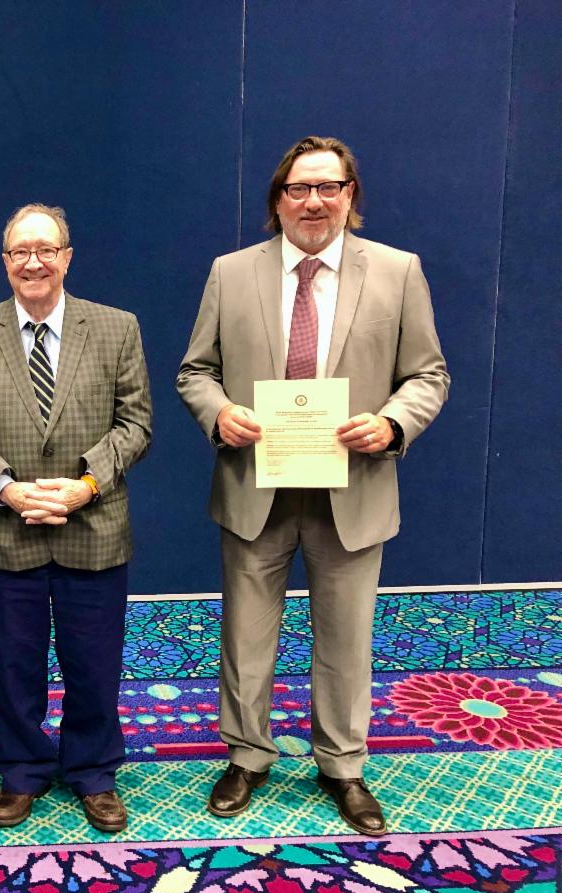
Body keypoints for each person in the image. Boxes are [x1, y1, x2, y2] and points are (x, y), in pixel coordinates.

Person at [176, 136, 449, 836]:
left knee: (347, 639)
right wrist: (220, 414)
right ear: (278, 200)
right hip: (255, 487)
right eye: (299, 189)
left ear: (350, 196)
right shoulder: (231, 272)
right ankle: (246, 756)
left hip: (353, 489)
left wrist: (391, 423)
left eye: (329, 187)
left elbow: (428, 375)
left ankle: (343, 766)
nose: (314, 202)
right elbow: (196, 372)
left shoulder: (397, 271)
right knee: (245, 638)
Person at [0, 204, 152, 833]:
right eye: (19, 252)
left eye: (46, 250)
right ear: (5, 261)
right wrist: (6, 490)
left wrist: (87, 485)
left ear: (67, 257)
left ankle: (93, 770)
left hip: (94, 525)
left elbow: (136, 423)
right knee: (13, 662)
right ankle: (23, 768)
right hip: (9, 528)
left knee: (95, 662)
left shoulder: (117, 328)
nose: (33, 262)